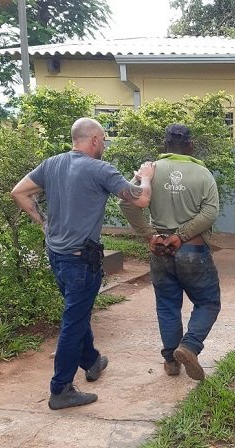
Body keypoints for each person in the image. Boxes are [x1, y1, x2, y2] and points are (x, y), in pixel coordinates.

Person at [11, 118, 154, 410]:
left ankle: (91, 361)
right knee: (73, 322)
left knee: (77, 312)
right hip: (80, 261)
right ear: (95, 140)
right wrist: (146, 177)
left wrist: (44, 223)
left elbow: (19, 192)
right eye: (104, 140)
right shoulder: (100, 169)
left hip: (57, 255)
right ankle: (61, 389)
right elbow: (141, 200)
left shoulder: (51, 164)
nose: (105, 146)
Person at [120, 124, 221, 380]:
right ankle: (189, 346)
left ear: (165, 145)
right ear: (190, 146)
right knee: (208, 302)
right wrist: (182, 236)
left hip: (161, 250)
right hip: (193, 250)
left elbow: (126, 203)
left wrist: (149, 235)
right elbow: (210, 213)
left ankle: (171, 361)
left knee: (167, 306)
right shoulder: (203, 174)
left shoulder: (150, 171)